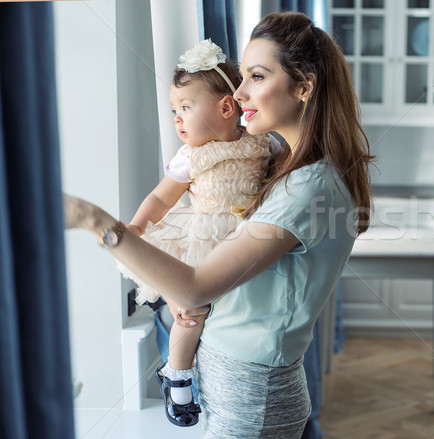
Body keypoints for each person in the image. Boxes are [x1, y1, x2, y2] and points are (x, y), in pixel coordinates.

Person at [64, 11, 373, 438]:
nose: (241, 92)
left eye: (258, 77)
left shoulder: (309, 187)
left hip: (253, 394)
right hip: (240, 385)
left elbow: (196, 286)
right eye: (242, 76)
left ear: (304, 86)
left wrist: (89, 218)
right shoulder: (284, 165)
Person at [117, 39, 277, 427]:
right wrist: (137, 227)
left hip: (244, 236)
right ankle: (178, 377)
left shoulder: (262, 142)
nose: (177, 119)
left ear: (226, 108)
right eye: (175, 110)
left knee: (238, 307)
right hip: (201, 236)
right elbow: (161, 197)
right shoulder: (189, 157)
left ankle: (213, 373)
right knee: (191, 313)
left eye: (185, 108)